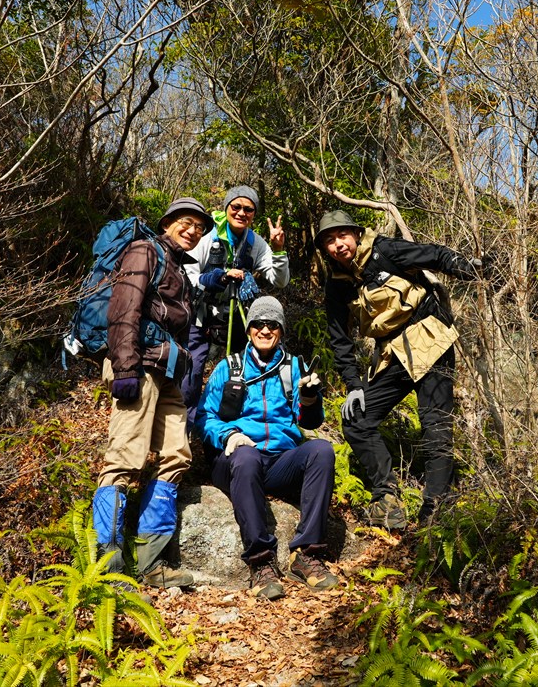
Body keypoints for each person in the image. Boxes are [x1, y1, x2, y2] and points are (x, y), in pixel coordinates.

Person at [315, 210, 484, 529]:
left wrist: (473, 269)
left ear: (356, 234)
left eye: (342, 236)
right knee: (357, 420)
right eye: (329, 241)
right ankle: (387, 499)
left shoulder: (385, 250)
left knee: (435, 425)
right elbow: (340, 339)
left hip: (429, 341)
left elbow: (435, 255)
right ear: (324, 249)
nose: (338, 245)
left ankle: (435, 510)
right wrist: (353, 385)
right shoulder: (336, 285)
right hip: (392, 355)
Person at [92, 197, 213, 589]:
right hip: (138, 366)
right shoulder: (146, 250)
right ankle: (108, 569)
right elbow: (123, 308)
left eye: (199, 227)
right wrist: (125, 367)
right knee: (124, 459)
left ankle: (151, 562)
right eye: (186, 222)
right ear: (168, 223)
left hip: (167, 375)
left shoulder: (179, 267)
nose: (193, 231)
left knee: (176, 455)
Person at [195, 295, 340, 600]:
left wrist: (310, 399)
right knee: (246, 457)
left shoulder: (294, 368)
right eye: (258, 323)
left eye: (272, 324)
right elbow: (204, 418)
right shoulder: (228, 367)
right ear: (249, 329)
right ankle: (260, 561)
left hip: (279, 461)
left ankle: (306, 554)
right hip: (237, 459)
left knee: (322, 451)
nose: (264, 330)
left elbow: (310, 421)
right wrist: (228, 434)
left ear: (281, 330)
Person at [182, 186, 290, 419]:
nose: (241, 213)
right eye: (236, 207)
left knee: (242, 372)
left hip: (236, 316)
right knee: (191, 374)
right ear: (226, 208)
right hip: (200, 315)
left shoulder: (255, 243)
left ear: (254, 214)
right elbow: (188, 277)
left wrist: (278, 250)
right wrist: (218, 277)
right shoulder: (206, 236)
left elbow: (279, 280)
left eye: (248, 209)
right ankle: (187, 428)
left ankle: (237, 420)